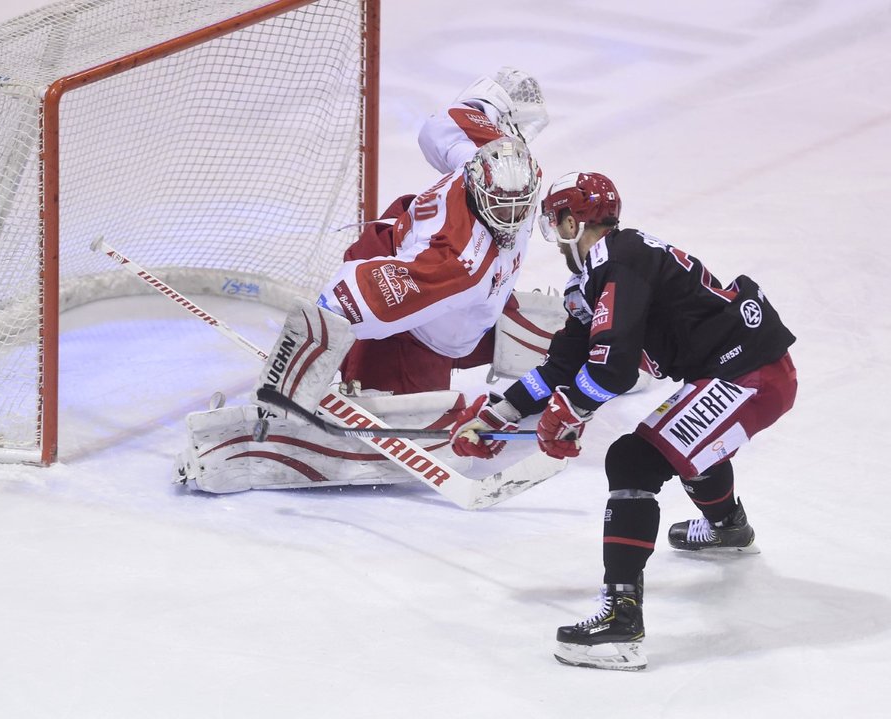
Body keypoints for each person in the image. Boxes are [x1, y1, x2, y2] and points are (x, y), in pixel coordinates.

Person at [448, 171, 798, 671]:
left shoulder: (620, 258)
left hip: (751, 373)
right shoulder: (597, 275)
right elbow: (562, 367)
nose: (555, 235)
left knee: (634, 459)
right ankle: (727, 528)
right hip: (737, 370)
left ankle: (621, 623)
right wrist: (497, 415)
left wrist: (573, 410)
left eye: (556, 222)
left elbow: (611, 369)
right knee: (685, 441)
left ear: (572, 221)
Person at [316, 67, 549, 395]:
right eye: (499, 206)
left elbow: (442, 126)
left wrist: (491, 103)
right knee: (395, 432)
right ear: (478, 187)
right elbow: (342, 302)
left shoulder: (487, 162)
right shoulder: (459, 260)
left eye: (519, 205)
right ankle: (362, 369)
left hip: (404, 249)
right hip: (409, 327)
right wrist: (297, 368)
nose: (510, 217)